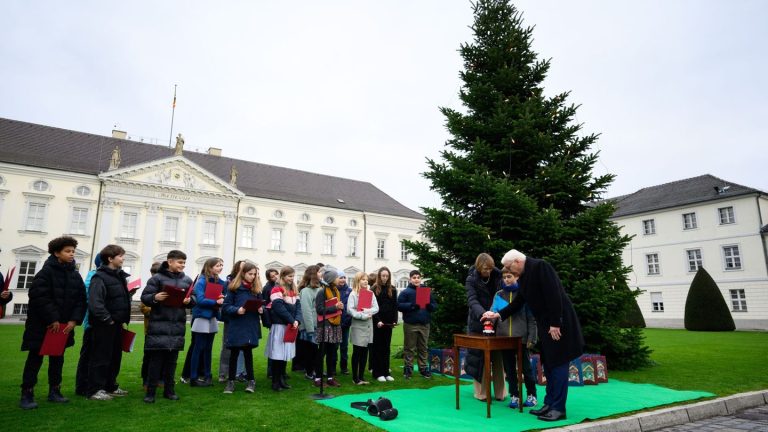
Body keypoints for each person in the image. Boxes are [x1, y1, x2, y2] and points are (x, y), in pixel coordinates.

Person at [485, 249, 584, 422]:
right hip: (547, 326)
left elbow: (554, 294)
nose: (508, 271)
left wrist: (555, 323)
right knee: (548, 364)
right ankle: (549, 403)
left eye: (509, 267)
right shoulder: (524, 276)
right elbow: (518, 302)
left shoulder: (541, 267)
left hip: (559, 324)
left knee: (559, 363)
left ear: (517, 261)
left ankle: (559, 408)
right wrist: (498, 315)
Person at [19, 236, 87, 410]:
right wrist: (53, 319)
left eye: (73, 251)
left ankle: (55, 391)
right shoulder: (45, 273)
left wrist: (73, 320)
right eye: (67, 251)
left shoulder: (75, 274)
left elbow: (81, 299)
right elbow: (39, 297)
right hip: (43, 326)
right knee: (35, 360)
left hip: (64, 327)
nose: (72, 254)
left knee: (58, 359)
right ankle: (27, 393)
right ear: (57, 253)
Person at [141, 250, 194, 403]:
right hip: (158, 325)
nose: (182, 265)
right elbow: (145, 297)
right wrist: (154, 297)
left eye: (184, 263)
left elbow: (194, 298)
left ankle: (169, 391)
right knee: (155, 362)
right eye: (180, 262)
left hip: (177, 327)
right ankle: (150, 393)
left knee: (172, 362)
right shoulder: (157, 278)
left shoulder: (187, 280)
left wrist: (189, 301)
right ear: (170, 262)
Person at [86, 245, 132, 400]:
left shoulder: (119, 276)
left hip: (117, 324)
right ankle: (95, 389)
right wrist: (108, 319)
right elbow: (95, 302)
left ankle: (110, 386)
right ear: (110, 259)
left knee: (114, 357)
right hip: (104, 325)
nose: (123, 258)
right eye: (120, 256)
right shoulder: (99, 277)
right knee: (101, 357)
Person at [494, 266, 538, 409]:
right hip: (504, 339)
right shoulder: (498, 295)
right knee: (510, 370)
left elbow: (532, 319)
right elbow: (493, 313)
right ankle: (514, 395)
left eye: (509, 277)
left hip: (522, 339)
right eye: (504, 277)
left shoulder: (524, 294)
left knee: (526, 369)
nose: (506, 280)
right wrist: (488, 318)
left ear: (516, 277)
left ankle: (532, 395)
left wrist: (532, 337)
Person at [464, 252, 506, 401]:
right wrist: (483, 314)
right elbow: (472, 299)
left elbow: (503, 296)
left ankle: (501, 393)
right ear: (478, 268)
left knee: (498, 358)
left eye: (489, 268)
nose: (487, 271)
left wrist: (494, 313)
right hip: (478, 322)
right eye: (484, 269)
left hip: (497, 321)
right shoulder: (471, 279)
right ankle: (481, 393)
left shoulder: (499, 277)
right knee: (478, 357)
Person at [221, 261, 263, 393]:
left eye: (255, 274)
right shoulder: (234, 288)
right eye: (250, 274)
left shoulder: (256, 290)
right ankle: (230, 382)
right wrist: (237, 310)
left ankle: (251, 381)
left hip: (250, 324)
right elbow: (226, 307)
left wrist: (261, 309)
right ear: (243, 273)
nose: (253, 276)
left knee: (248, 353)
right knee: (233, 353)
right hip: (237, 325)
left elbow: (261, 305)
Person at [189, 257, 226, 387]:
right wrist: (216, 302)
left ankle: (207, 375)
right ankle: (193, 377)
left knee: (208, 349)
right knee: (198, 348)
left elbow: (226, 292)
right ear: (209, 267)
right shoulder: (201, 281)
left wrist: (222, 298)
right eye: (217, 265)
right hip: (202, 317)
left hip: (212, 317)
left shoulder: (219, 281)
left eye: (221, 265)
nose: (220, 267)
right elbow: (200, 300)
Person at [264, 266, 301, 392]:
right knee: (277, 354)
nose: (292, 278)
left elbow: (298, 308)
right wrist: (292, 320)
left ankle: (281, 379)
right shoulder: (276, 289)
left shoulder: (293, 290)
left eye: (293, 276)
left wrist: (297, 320)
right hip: (280, 326)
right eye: (289, 276)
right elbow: (278, 307)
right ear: (283, 276)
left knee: (285, 354)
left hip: (290, 326)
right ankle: (275, 381)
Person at [397, 269, 437, 379]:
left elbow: (434, 306)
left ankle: (423, 368)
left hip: (424, 323)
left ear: (421, 279)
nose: (416, 279)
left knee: (423, 347)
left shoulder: (426, 291)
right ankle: (408, 368)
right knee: (409, 347)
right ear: (410, 279)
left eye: (418, 277)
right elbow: (399, 305)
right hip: (411, 324)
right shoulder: (406, 292)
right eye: (414, 277)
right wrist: (412, 305)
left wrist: (429, 306)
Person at [75, 254, 101, 396]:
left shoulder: (95, 276)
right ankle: (83, 386)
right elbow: (91, 301)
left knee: (96, 356)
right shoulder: (93, 277)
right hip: (92, 324)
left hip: (98, 323)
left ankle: (94, 384)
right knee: (88, 356)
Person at [313, 269, 345, 388]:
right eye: (337, 277)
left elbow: (336, 308)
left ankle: (330, 377)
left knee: (332, 353)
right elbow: (320, 310)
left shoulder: (336, 291)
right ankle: (318, 378)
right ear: (331, 279)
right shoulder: (322, 292)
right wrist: (335, 307)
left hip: (335, 325)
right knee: (322, 353)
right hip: (325, 326)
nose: (339, 279)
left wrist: (340, 307)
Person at [347, 272, 379, 385]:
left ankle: (361, 376)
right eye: (362, 279)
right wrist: (363, 315)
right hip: (358, 326)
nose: (365, 281)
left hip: (368, 326)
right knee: (357, 352)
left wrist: (366, 311)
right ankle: (355, 377)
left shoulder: (370, 293)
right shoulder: (353, 294)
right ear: (357, 281)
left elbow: (376, 308)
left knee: (365, 352)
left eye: (366, 279)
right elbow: (350, 310)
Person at [218, 260, 247, 383]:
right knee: (227, 346)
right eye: (242, 268)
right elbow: (225, 302)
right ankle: (224, 373)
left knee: (244, 346)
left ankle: (240, 372)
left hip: (244, 319)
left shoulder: (248, 284)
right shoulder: (228, 283)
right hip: (231, 318)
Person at [371, 267, 397, 382]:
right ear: (379, 276)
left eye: (387, 276)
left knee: (386, 348)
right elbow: (372, 308)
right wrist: (377, 321)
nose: (385, 278)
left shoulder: (393, 289)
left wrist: (394, 320)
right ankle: (378, 373)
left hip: (388, 323)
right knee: (378, 347)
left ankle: (386, 372)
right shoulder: (374, 289)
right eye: (383, 276)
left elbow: (394, 306)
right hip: (378, 323)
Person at [297, 265, 322, 380]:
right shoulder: (306, 291)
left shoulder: (320, 289)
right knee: (310, 350)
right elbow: (306, 310)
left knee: (316, 351)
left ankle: (316, 370)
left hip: (319, 325)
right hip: (310, 326)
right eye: (319, 272)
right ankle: (309, 371)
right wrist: (310, 329)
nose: (322, 274)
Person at [140, 261, 162, 389]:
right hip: (150, 329)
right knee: (148, 356)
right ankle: (146, 381)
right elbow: (143, 308)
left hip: (162, 328)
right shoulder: (149, 288)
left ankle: (159, 379)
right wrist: (156, 309)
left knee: (161, 356)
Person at [261, 268, 278, 379]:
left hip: (279, 318)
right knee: (273, 346)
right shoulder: (267, 288)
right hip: (272, 319)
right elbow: (265, 304)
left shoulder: (278, 286)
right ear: (268, 278)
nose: (275, 277)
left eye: (276, 274)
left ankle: (279, 371)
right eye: (273, 276)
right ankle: (271, 371)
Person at [338, 273, 352, 375]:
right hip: (335, 323)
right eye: (340, 277)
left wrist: (347, 320)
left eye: (344, 277)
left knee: (344, 346)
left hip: (345, 323)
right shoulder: (333, 290)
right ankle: (332, 368)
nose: (343, 279)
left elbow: (350, 307)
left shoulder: (349, 291)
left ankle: (344, 367)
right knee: (333, 347)